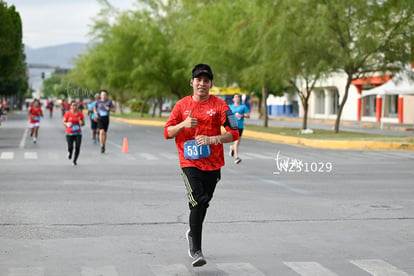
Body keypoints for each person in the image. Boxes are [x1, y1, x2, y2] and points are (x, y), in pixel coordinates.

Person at [164, 64, 239, 267]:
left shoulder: (221, 106)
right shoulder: (181, 105)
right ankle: (196, 250)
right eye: (198, 80)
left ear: (211, 84)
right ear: (192, 82)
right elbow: (167, 132)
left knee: (204, 202)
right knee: (198, 200)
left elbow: (234, 132)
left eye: (206, 80)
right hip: (189, 162)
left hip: (213, 164)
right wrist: (183, 125)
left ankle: (192, 229)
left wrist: (212, 139)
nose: (202, 84)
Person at [229, 93, 250, 164]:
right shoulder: (230, 107)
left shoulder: (243, 106)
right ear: (233, 99)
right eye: (236, 97)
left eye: (238, 97)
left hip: (240, 126)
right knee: (236, 141)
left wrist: (242, 115)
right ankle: (236, 157)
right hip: (233, 126)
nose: (237, 98)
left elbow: (248, 115)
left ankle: (232, 148)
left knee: (237, 142)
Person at [63, 101, 85, 166]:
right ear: (71, 106)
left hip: (78, 133)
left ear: (77, 106)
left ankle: (75, 161)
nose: (74, 107)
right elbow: (63, 121)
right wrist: (66, 124)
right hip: (69, 133)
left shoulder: (80, 113)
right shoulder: (67, 113)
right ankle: (69, 152)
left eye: (75, 105)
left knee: (78, 147)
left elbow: (83, 123)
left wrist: (81, 123)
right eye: (73, 105)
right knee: (70, 147)